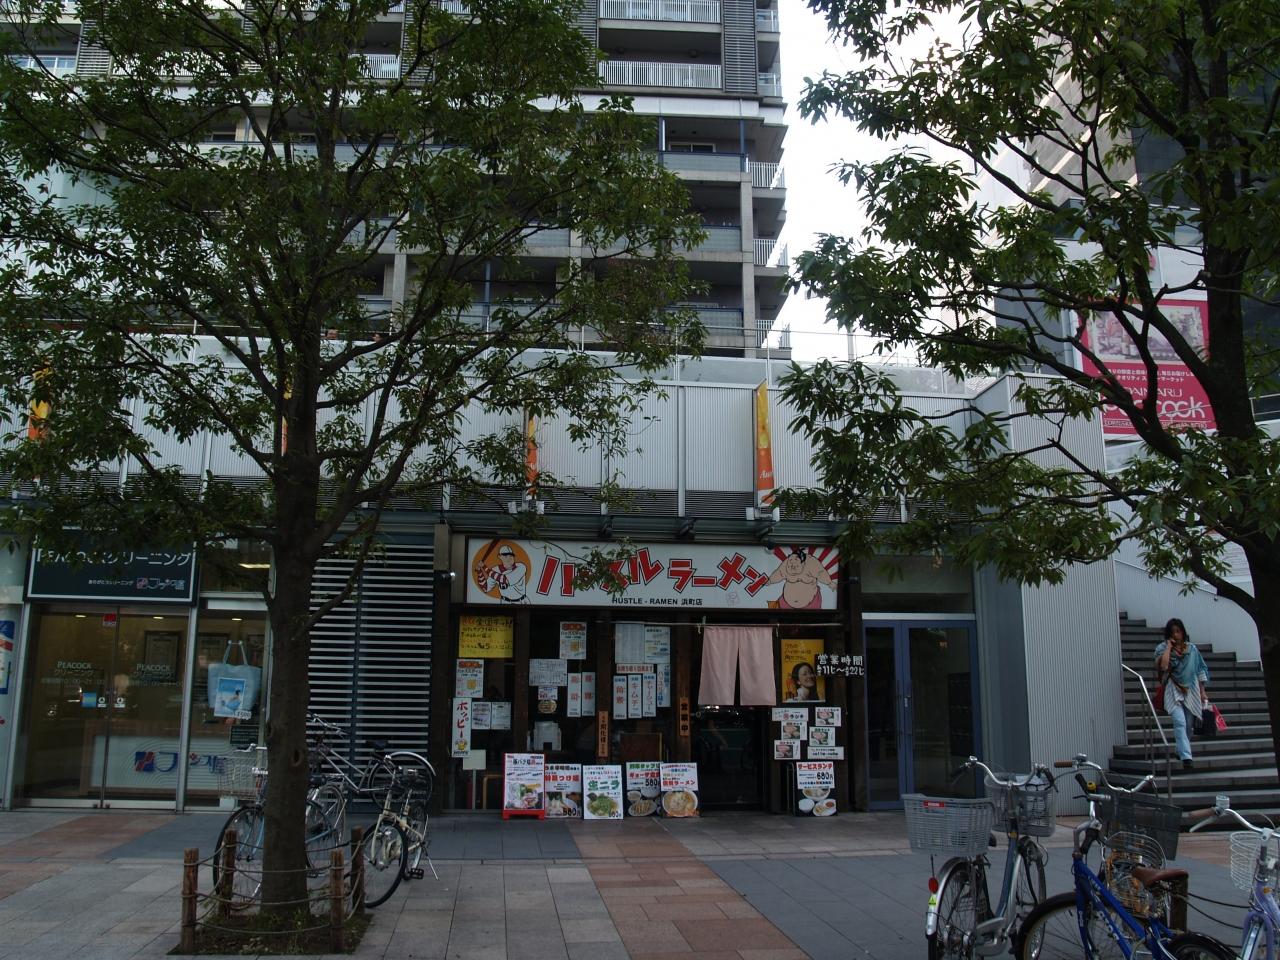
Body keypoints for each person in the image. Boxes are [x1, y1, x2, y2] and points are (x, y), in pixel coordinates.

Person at [1154, 618, 1209, 770]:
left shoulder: (1192, 649)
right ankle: (1187, 757)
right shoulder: (1161, 649)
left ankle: (1180, 750)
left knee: (1188, 725)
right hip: (1173, 689)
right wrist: (1168, 647)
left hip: (1191, 690)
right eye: (1172, 632)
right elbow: (1163, 666)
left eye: (1178, 631)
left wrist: (1203, 692)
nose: (1176, 635)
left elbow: (1200, 669)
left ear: (1183, 632)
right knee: (1180, 722)